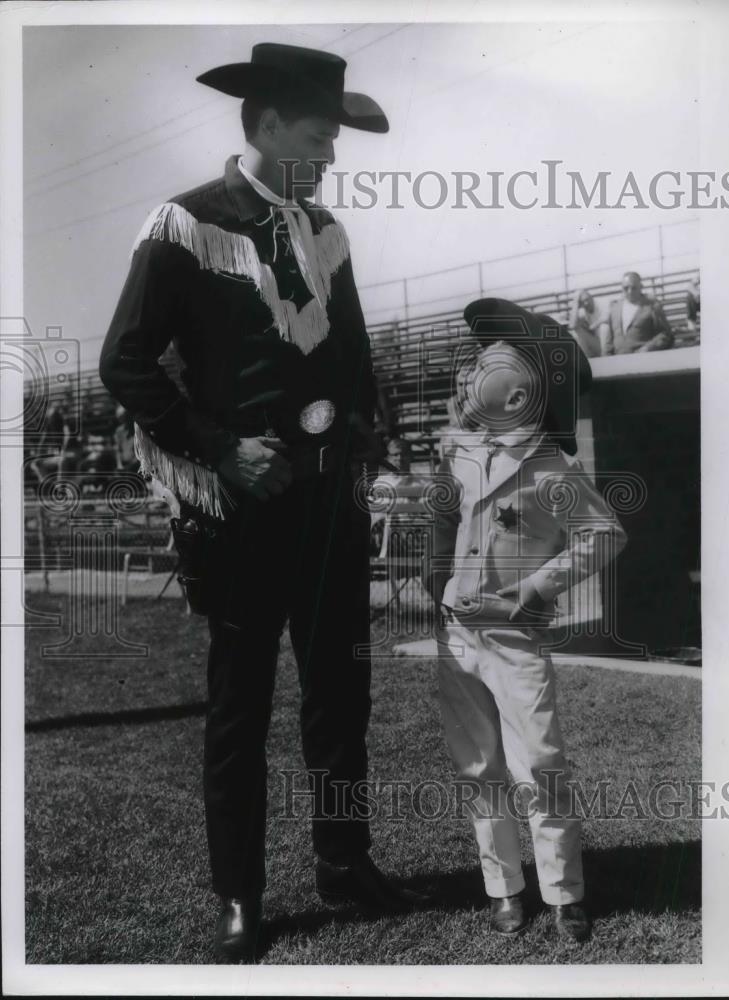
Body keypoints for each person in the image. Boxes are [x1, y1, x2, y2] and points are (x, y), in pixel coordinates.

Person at [99, 42, 427, 963]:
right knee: (240, 709)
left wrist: (362, 431)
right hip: (240, 512)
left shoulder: (326, 230)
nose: (329, 157)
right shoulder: (185, 224)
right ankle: (239, 895)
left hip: (329, 508)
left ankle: (345, 862)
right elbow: (124, 362)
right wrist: (219, 449)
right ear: (270, 123)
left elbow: (353, 354)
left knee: (341, 698)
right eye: (319, 138)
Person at [423, 298, 627, 943]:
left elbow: (604, 534)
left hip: (515, 636)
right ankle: (503, 887)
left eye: (482, 364)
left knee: (538, 761)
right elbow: (444, 517)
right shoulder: (456, 449)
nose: (465, 374)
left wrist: (531, 591)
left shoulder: (550, 467)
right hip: (459, 634)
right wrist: (441, 584)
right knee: (478, 765)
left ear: (515, 394)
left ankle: (564, 893)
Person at [604, 271, 674, 354]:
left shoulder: (652, 306)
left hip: (644, 360)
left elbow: (665, 334)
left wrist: (648, 348)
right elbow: (608, 343)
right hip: (619, 361)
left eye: (633, 288)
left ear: (641, 287)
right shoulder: (614, 309)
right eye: (626, 288)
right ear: (621, 288)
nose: (630, 291)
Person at [569, 288, 608, 358]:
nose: (586, 303)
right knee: (576, 332)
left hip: (609, 345)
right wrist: (575, 302)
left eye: (587, 299)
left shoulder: (601, 303)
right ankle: (587, 362)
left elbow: (608, 318)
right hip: (597, 345)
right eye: (582, 302)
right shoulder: (583, 311)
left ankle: (606, 358)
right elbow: (572, 326)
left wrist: (594, 325)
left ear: (591, 297)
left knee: (604, 327)